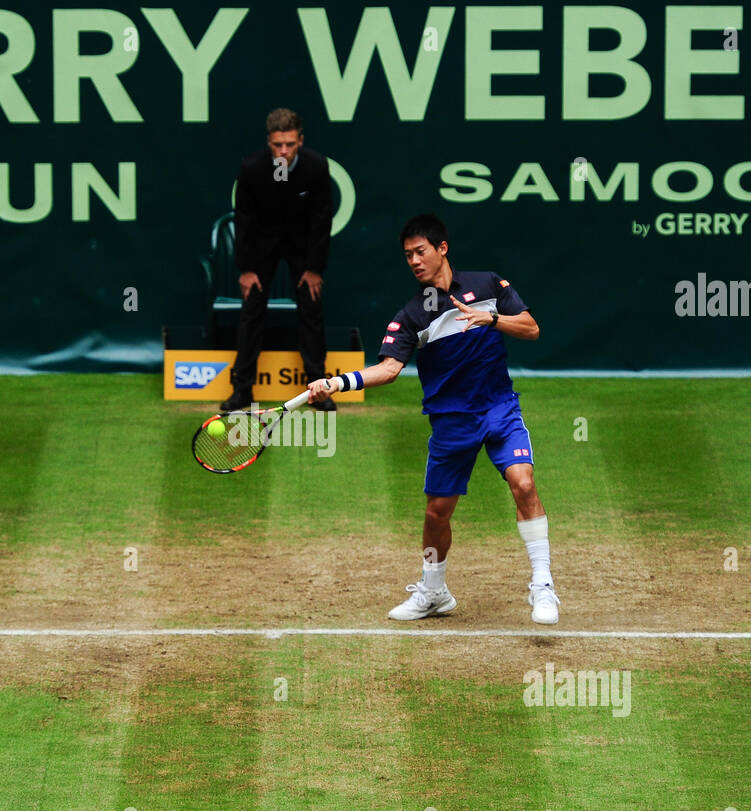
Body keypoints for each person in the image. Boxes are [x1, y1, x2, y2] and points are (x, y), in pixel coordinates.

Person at [305, 214, 560, 624]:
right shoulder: (411, 315)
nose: (414, 261)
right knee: (436, 513)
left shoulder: (489, 285)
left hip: (498, 409)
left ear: (442, 249)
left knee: (523, 481)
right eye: (407, 256)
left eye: (420, 252)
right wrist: (337, 383)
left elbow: (531, 329)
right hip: (451, 421)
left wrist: (490, 318)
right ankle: (433, 591)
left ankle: (543, 586)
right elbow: (388, 369)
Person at [221, 108, 335, 412]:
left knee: (311, 311)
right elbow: (243, 220)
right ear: (268, 143)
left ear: (300, 141)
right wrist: (246, 269)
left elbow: (322, 220)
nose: (283, 151)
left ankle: (319, 390)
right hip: (261, 248)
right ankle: (241, 391)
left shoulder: (316, 167)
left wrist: (314, 268)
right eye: (277, 145)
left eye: (289, 144)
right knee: (251, 313)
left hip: (302, 248)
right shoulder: (251, 169)